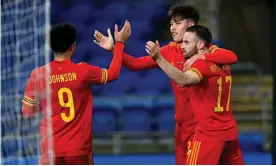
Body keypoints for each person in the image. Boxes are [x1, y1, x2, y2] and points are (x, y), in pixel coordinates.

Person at [94, 5, 238, 164]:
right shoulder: (169, 51)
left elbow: (231, 56)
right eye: (171, 24)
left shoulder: (208, 50)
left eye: (177, 23)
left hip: (203, 128)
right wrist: (114, 49)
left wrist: (201, 58)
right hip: (182, 128)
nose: (172, 28)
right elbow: (134, 64)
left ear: (190, 25)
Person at [21, 21, 131, 164]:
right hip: (79, 151)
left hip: (50, 151)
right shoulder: (83, 71)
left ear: (51, 47)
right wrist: (119, 44)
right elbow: (114, 73)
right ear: (73, 46)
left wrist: (48, 104)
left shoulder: (38, 75)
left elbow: (27, 112)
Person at [146, 25, 244, 165]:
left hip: (208, 134)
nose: (182, 46)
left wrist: (159, 59)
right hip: (230, 132)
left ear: (200, 44)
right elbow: (232, 56)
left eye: (186, 42)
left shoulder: (201, 64)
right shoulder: (221, 59)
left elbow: (184, 80)